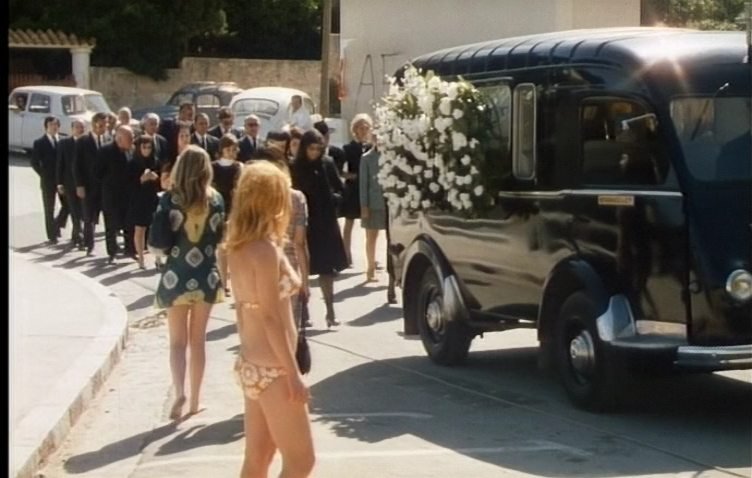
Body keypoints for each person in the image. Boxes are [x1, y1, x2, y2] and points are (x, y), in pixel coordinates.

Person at [226, 161, 315, 478]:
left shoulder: (238, 246)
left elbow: (244, 311)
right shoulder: (265, 250)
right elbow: (270, 317)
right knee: (301, 461)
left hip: (252, 362)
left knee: (258, 459)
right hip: (274, 367)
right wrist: (293, 373)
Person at [148, 145, 225, 419]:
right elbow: (220, 237)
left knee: (177, 342)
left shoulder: (170, 199)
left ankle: (179, 390)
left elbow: (159, 239)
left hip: (176, 275)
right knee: (198, 341)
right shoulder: (216, 199)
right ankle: (195, 402)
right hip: (206, 275)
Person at [290, 130, 348, 327]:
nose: (314, 152)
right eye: (311, 148)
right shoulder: (295, 167)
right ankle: (303, 312)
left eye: (318, 148)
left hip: (325, 222)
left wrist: (335, 199)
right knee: (301, 268)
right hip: (302, 223)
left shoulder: (327, 164)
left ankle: (330, 311)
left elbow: (339, 188)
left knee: (327, 270)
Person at [253, 144, 311, 328]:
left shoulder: (252, 200)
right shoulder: (297, 198)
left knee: (264, 330)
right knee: (289, 329)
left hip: (258, 268)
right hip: (289, 269)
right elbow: (299, 243)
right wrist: (305, 281)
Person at [96, 125, 136, 263]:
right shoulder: (105, 151)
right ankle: (112, 252)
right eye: (129, 137)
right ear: (119, 138)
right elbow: (97, 173)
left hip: (128, 194)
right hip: (111, 195)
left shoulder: (132, 150)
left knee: (129, 223)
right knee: (111, 226)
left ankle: (130, 250)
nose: (132, 140)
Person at [74, 112, 109, 255]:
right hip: (88, 186)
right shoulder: (83, 141)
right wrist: (79, 185)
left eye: (106, 124)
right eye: (102, 124)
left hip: (105, 186)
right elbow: (76, 165)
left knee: (108, 216)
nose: (104, 127)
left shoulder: (108, 140)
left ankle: (111, 248)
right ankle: (89, 245)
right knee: (89, 217)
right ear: (95, 124)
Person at [212, 134, 243, 295]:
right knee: (222, 247)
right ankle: (224, 283)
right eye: (228, 149)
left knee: (235, 248)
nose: (231, 152)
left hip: (235, 209)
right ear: (222, 150)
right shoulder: (213, 167)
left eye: (234, 149)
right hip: (218, 208)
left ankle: (236, 283)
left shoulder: (239, 167)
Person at [341, 113, 373, 264]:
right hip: (353, 190)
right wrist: (352, 176)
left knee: (370, 225)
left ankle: (371, 258)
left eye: (367, 127)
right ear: (355, 129)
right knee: (349, 222)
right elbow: (339, 171)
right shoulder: (347, 148)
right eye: (361, 127)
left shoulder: (372, 148)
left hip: (368, 189)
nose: (364, 130)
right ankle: (346, 255)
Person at [31, 116, 67, 244]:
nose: (54, 127)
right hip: (48, 181)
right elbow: (34, 162)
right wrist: (43, 174)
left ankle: (57, 224)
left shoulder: (63, 141)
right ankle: (52, 235)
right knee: (49, 208)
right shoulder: (39, 142)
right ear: (46, 126)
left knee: (68, 205)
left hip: (62, 180)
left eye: (56, 124)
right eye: (51, 124)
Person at [128, 134, 160, 269]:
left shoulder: (155, 161)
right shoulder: (133, 163)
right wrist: (141, 179)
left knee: (156, 228)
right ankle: (141, 258)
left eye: (149, 147)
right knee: (140, 228)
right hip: (138, 199)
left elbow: (162, 181)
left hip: (153, 197)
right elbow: (128, 184)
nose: (147, 150)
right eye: (144, 147)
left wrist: (156, 178)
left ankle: (158, 257)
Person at [358, 137, 388, 282]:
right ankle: (370, 268)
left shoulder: (391, 155)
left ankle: (391, 269)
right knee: (371, 237)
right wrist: (364, 206)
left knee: (391, 239)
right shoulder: (366, 158)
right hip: (373, 203)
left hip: (389, 203)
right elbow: (363, 184)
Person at [56, 119, 85, 249]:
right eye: (77, 127)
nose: (80, 130)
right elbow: (60, 164)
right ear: (72, 129)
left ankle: (76, 235)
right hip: (69, 183)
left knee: (82, 212)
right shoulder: (64, 144)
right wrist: (59, 183)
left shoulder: (87, 143)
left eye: (82, 127)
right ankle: (78, 236)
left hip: (84, 184)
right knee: (74, 211)